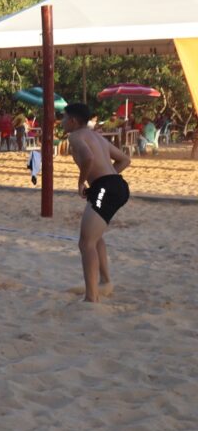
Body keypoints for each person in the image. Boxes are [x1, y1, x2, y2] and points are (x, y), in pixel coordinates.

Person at [63, 103, 131, 303]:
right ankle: (105, 281)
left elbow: (88, 158)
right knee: (95, 237)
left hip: (106, 188)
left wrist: (82, 182)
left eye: (64, 118)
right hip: (117, 185)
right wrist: (107, 180)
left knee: (86, 243)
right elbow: (125, 160)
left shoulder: (75, 136)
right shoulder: (97, 137)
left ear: (73, 121)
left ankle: (91, 297)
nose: (62, 121)